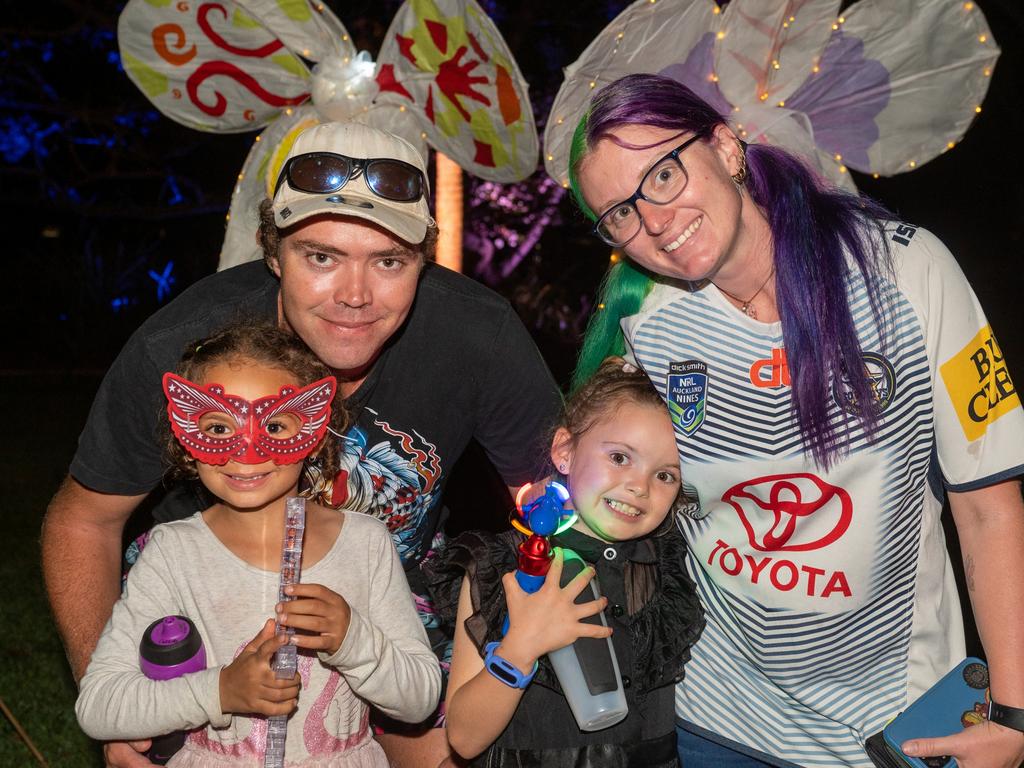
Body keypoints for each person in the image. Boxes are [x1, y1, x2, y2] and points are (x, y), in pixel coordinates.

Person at [43, 121, 561, 768]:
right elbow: (84, 520)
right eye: (321, 257)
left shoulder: (477, 337)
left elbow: (558, 501)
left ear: (425, 260)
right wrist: (119, 712)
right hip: (208, 614)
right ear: (271, 252)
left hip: (391, 606)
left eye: (389, 261)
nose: (353, 296)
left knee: (470, 747)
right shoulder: (184, 349)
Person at [566, 73, 1024, 768]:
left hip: (889, 729)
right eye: (621, 214)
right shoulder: (649, 320)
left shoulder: (906, 271)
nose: (654, 221)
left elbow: (989, 507)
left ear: (724, 148)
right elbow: (617, 495)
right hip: (714, 718)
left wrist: (1016, 716)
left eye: (662, 174)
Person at [75, 322, 441, 766]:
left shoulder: (365, 544)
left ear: (317, 432)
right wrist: (221, 690)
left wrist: (353, 640)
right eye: (216, 428)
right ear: (184, 439)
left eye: (277, 426)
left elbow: (420, 698)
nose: (246, 453)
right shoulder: (173, 553)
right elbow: (99, 706)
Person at [429, 357, 704, 766]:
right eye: (620, 457)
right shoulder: (499, 567)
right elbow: (465, 739)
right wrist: (521, 646)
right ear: (565, 451)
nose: (639, 486)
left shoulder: (671, 571)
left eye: (665, 475)